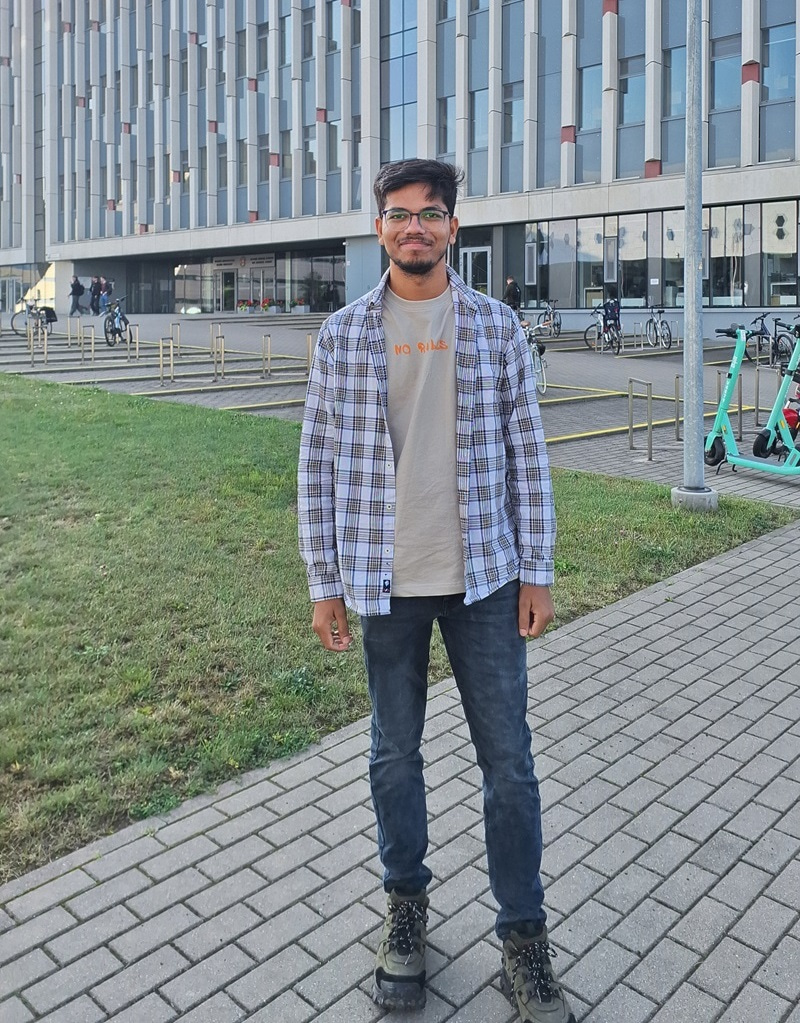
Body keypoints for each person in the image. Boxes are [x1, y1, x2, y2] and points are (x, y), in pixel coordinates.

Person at [298, 159, 573, 1023]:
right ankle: (405, 909)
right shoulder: (341, 335)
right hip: (382, 582)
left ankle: (523, 938)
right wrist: (324, 581)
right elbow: (316, 467)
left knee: (510, 768)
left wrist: (538, 567)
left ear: (455, 227)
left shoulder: (495, 327)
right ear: (378, 227)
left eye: (431, 214)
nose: (415, 228)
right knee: (392, 757)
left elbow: (528, 453)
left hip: (485, 580)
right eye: (399, 215)